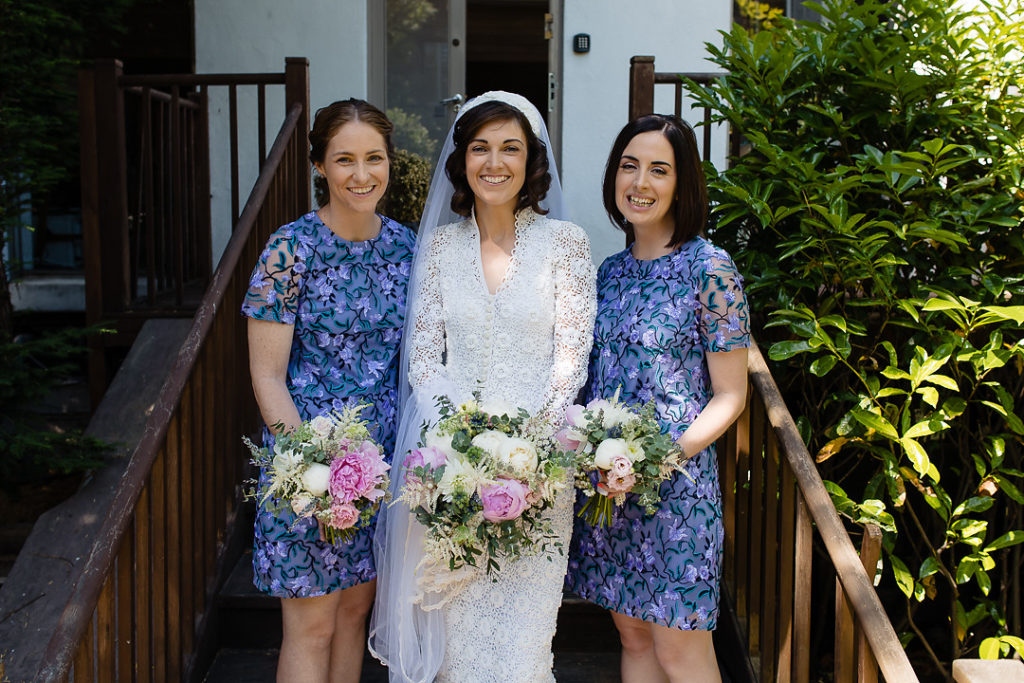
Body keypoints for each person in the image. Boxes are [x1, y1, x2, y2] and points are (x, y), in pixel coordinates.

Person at [369, 91, 597, 682]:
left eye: (510, 148)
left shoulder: (566, 245)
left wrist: (528, 457)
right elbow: (423, 361)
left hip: (541, 476)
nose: (494, 163)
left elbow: (571, 362)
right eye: (480, 148)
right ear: (462, 160)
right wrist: (461, 453)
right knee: (458, 649)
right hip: (450, 475)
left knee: (522, 651)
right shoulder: (440, 248)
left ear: (532, 161)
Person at [564, 114, 750, 683]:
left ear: (682, 184)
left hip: (677, 494)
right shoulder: (610, 273)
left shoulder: (711, 270)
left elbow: (730, 395)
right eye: (629, 166)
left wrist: (660, 459)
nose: (640, 182)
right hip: (610, 491)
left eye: (659, 170)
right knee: (634, 636)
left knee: (681, 650)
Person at [242, 99, 415, 683]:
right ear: (319, 165)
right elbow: (267, 375)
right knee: (311, 627)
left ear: (391, 163)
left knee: (353, 615)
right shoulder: (288, 252)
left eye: (374, 159)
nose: (361, 175)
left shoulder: (407, 249)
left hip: (382, 469)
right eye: (344, 160)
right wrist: (314, 468)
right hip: (308, 465)